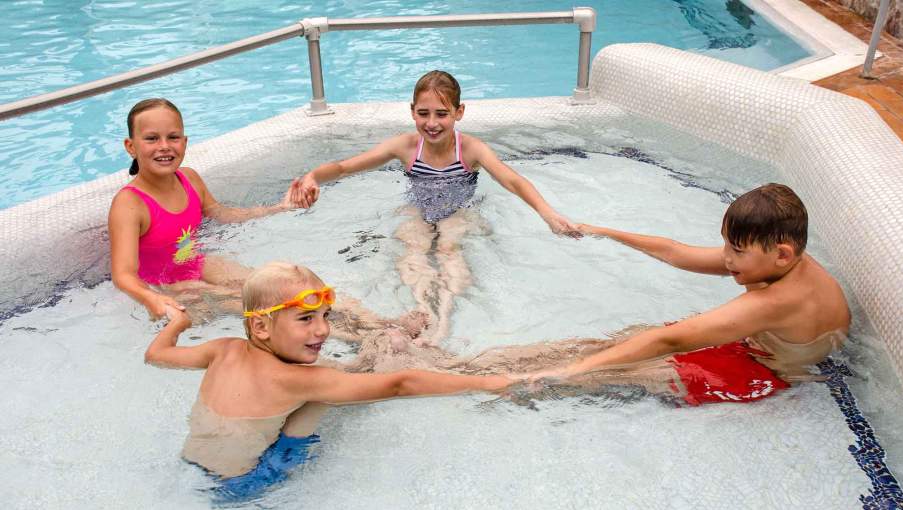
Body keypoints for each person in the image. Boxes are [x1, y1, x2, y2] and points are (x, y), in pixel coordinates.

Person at [144, 261, 510, 500]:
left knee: (325, 380)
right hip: (244, 486)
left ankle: (374, 352)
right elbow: (400, 384)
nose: (323, 330)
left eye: (325, 316)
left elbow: (155, 357)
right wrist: (488, 384)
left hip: (191, 466)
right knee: (324, 389)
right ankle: (383, 351)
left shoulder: (221, 349)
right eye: (306, 319)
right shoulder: (298, 380)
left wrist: (177, 323)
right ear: (260, 326)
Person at [290, 71, 580, 345]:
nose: (432, 123)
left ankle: (442, 320)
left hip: (458, 211)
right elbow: (343, 167)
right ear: (412, 110)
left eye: (442, 114)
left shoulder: (470, 149)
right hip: (418, 209)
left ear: (459, 112)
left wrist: (548, 214)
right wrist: (313, 176)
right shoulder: (405, 146)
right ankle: (422, 311)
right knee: (412, 246)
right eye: (423, 113)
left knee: (448, 248)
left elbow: (511, 180)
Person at [108, 99, 422, 340]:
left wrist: (278, 208)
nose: (164, 146)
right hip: (167, 283)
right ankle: (366, 337)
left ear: (186, 142)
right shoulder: (130, 204)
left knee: (284, 287)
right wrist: (154, 299)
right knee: (265, 309)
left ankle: (381, 322)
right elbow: (124, 274)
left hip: (198, 263)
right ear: (131, 146)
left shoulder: (189, 178)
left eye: (172, 137)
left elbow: (222, 213)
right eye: (151, 139)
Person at [532, 183, 851, 406]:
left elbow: (669, 341)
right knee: (605, 348)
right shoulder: (772, 261)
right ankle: (506, 366)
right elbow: (675, 252)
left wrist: (571, 372)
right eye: (726, 244)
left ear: (782, 254)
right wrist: (600, 231)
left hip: (761, 371)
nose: (726, 258)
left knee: (601, 374)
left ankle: (514, 382)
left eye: (736, 250)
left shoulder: (780, 299)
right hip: (745, 345)